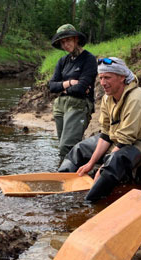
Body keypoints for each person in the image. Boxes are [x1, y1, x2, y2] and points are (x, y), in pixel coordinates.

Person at [58, 57, 141, 202]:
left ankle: (90, 201)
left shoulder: (136, 99)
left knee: (115, 160)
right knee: (80, 148)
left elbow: (125, 141)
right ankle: (60, 184)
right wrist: (90, 163)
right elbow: (106, 134)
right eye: (101, 78)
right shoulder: (107, 98)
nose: (102, 83)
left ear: (122, 77)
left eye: (107, 78)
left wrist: (102, 169)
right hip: (118, 138)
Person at [49, 24, 97, 161]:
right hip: (60, 106)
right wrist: (70, 83)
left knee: (66, 146)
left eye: (68, 40)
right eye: (62, 42)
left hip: (79, 105)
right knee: (64, 145)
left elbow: (81, 88)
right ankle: (72, 172)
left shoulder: (89, 59)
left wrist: (62, 88)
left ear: (76, 39)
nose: (65, 45)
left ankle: (65, 177)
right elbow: (52, 86)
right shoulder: (62, 61)